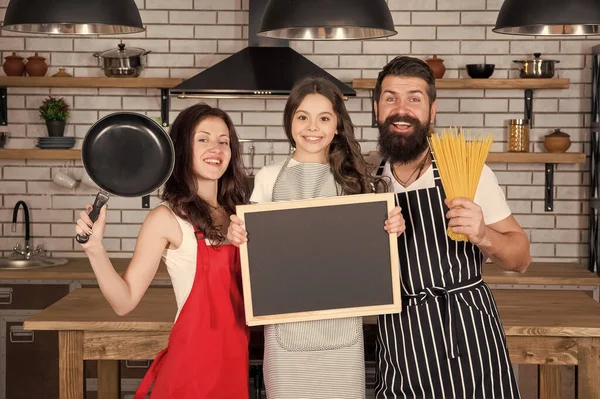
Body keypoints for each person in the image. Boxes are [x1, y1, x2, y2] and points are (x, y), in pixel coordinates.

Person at [227, 76, 404, 399]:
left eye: (324, 118)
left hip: (342, 334)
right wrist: (237, 234)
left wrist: (392, 227)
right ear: (290, 122)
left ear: (337, 126)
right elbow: (254, 256)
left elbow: (370, 256)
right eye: (303, 117)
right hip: (285, 334)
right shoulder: (268, 178)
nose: (313, 127)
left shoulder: (356, 180)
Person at [365, 56, 531, 398]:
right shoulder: (367, 175)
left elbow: (521, 257)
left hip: (466, 332)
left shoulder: (467, 171)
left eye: (414, 98)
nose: (402, 108)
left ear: (432, 109)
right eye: (391, 98)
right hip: (399, 336)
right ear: (377, 108)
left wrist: (484, 235)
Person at [74, 104, 251, 399]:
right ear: (182, 149)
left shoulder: (242, 214)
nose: (216, 148)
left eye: (224, 140)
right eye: (203, 139)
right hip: (190, 370)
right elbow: (124, 301)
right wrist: (94, 248)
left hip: (234, 365)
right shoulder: (167, 218)